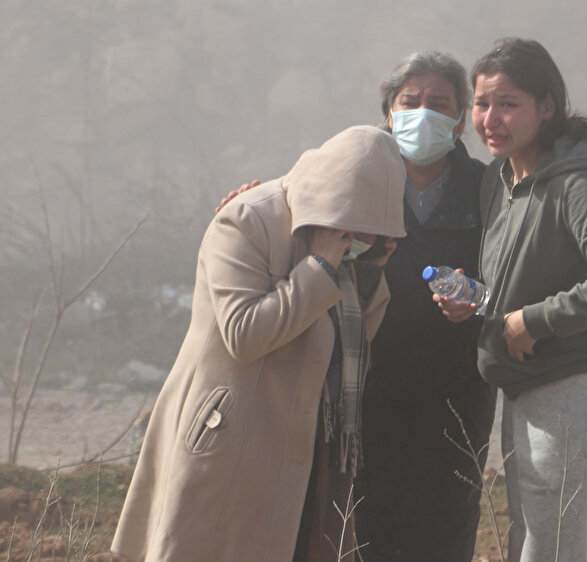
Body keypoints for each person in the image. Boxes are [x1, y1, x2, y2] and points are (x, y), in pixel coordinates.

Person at [111, 125, 407, 562]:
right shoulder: (248, 220)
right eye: (355, 230)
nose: (358, 240)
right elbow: (244, 334)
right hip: (231, 437)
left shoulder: (347, 248)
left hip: (308, 443)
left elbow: (352, 344)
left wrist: (365, 269)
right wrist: (320, 265)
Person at [436, 38, 587, 562]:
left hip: (582, 384)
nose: (491, 118)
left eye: (508, 104)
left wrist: (534, 320)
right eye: (483, 104)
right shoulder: (499, 179)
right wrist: (475, 301)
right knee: (535, 543)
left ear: (546, 106)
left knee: (560, 550)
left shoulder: (577, 183)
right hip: (530, 384)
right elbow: (518, 287)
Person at [352, 51, 496, 562]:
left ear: (461, 120)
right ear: (389, 112)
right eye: (410, 101)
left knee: (445, 524)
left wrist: (477, 297)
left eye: (440, 104)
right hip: (369, 388)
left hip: (456, 390)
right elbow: (294, 219)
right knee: (364, 524)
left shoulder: (487, 189)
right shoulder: (359, 181)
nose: (423, 113)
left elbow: (512, 281)